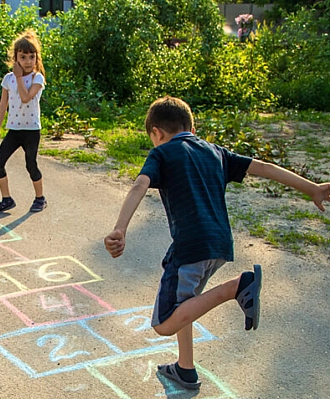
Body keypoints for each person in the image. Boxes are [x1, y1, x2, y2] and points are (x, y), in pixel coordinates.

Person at [104, 96, 330, 390]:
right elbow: (262, 167)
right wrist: (312, 187)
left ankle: (236, 287)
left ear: (156, 133)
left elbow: (139, 185)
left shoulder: (162, 154)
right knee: (187, 300)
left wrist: (120, 229)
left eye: (153, 138)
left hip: (191, 246)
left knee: (164, 322)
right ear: (191, 128)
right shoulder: (215, 152)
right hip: (219, 243)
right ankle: (185, 369)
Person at [0, 29, 47, 214]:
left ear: (36, 58)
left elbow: (25, 97)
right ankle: (6, 199)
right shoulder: (8, 79)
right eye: (23, 57)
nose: (28, 61)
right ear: (16, 58)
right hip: (14, 129)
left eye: (32, 57)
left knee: (31, 164)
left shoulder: (37, 78)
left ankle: (40, 198)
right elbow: (2, 104)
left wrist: (20, 77)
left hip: (31, 130)